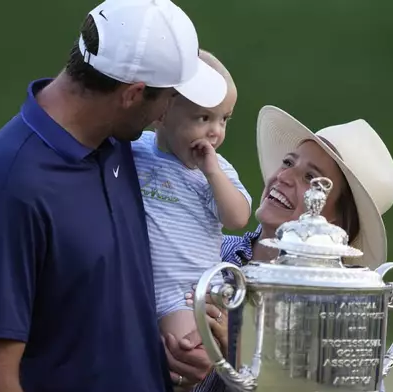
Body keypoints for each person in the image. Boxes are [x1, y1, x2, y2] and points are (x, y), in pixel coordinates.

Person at [0, 1, 228, 391]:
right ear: (133, 94)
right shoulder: (9, 190)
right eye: (170, 97)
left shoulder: (121, 145)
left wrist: (161, 352)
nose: (169, 110)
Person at [175, 105, 393, 391]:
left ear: (337, 221)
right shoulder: (211, 250)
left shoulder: (341, 313)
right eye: (289, 162)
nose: (283, 176)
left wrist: (243, 354)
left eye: (310, 179)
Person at [132, 48, 251, 382]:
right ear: (161, 115)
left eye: (224, 119)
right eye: (204, 118)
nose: (216, 131)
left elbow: (238, 217)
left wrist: (212, 172)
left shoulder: (217, 173)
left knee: (187, 359)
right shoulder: (136, 149)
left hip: (182, 294)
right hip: (131, 284)